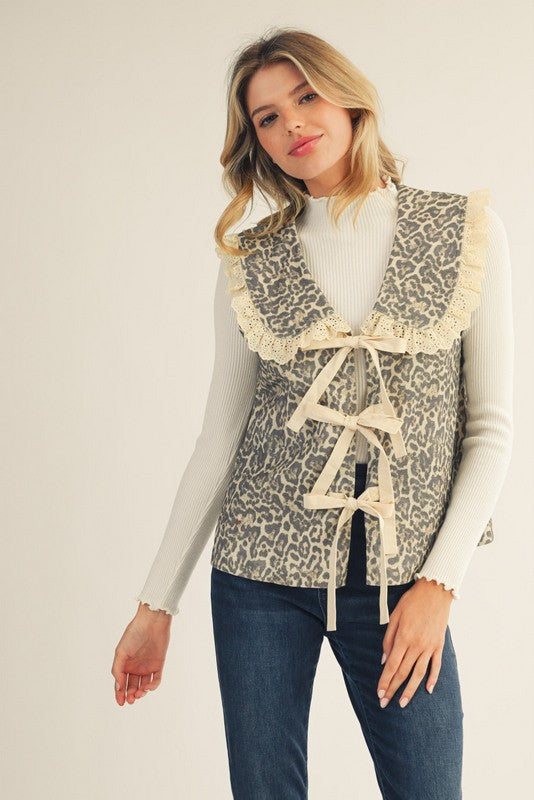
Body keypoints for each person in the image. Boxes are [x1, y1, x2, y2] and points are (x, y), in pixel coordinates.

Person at [111, 27, 514, 800]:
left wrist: (439, 585)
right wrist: (155, 605)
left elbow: (491, 431)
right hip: (258, 581)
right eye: (266, 117)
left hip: (403, 582)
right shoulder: (251, 259)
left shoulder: (464, 231)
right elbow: (220, 438)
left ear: (349, 98)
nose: (291, 123)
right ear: (256, 143)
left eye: (306, 96)